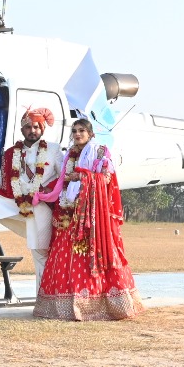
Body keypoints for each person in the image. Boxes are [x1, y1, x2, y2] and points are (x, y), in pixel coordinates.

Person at [30, 117, 144, 321]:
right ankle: (63, 307)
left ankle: (103, 305)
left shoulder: (100, 152)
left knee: (95, 253)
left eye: (82, 130)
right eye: (74, 131)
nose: (77, 134)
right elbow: (62, 182)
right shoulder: (69, 156)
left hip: (93, 214)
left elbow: (107, 179)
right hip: (70, 211)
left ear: (91, 134)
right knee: (64, 255)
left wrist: (82, 177)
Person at [0, 107, 63, 273]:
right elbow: (2, 179)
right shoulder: (11, 153)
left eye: (36, 127)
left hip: (40, 206)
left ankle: (44, 297)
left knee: (40, 255)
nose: (32, 131)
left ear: (42, 129)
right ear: (22, 129)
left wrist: (53, 192)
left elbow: (64, 178)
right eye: (28, 127)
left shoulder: (53, 150)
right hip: (16, 202)